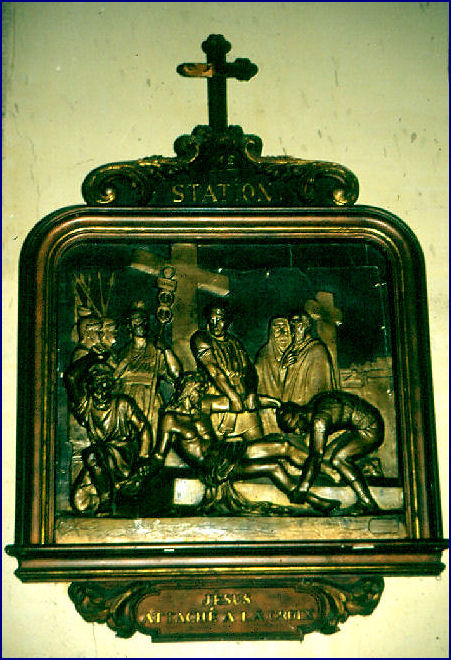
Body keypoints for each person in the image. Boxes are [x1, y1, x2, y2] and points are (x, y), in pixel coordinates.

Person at [147, 370, 340, 514]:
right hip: (214, 465)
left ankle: (327, 469)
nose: (200, 394)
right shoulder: (170, 419)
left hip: (226, 449)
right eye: (198, 391)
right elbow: (158, 455)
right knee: (273, 467)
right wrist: (144, 475)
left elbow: (239, 403)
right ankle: (313, 500)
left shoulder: (203, 404)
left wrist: (275, 403)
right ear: (187, 391)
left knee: (284, 446)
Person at [64, 353, 153, 514]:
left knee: (92, 455)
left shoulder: (122, 403)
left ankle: (106, 499)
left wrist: (143, 458)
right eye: (98, 384)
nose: (102, 390)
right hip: (102, 457)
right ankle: (110, 489)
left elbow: (143, 428)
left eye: (106, 384)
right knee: (80, 503)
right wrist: (94, 357)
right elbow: (71, 377)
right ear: (90, 386)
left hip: (123, 454)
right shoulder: (87, 406)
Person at [276, 390, 384, 515]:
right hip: (357, 427)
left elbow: (316, 456)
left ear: (301, 415)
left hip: (369, 429)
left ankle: (367, 502)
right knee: (327, 458)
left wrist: (303, 486)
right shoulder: (314, 406)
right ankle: (353, 474)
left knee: (339, 459)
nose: (298, 432)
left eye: (296, 427)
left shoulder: (319, 421)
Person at [190, 302, 264, 442]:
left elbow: (249, 370)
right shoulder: (200, 338)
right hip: (218, 397)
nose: (215, 324)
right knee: (215, 449)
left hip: (242, 398)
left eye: (220, 320)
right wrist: (233, 397)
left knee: (258, 443)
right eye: (212, 320)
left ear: (228, 321)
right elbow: (214, 371)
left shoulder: (234, 342)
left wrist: (251, 392)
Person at [114, 301, 181, 443]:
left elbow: (176, 374)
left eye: (144, 320)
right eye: (136, 320)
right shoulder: (123, 353)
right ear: (129, 325)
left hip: (151, 397)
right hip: (128, 398)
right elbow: (114, 378)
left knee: (151, 437)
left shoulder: (156, 350)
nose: (140, 323)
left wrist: (166, 350)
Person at [281, 311, 336, 406]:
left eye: (298, 322)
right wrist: (284, 367)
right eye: (292, 323)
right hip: (290, 406)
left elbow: (320, 387)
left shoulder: (318, 350)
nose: (295, 327)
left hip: (306, 406)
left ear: (307, 325)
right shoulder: (290, 350)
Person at [255, 316, 291, 434]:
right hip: (271, 410)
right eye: (277, 329)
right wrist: (283, 368)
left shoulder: (299, 353)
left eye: (285, 328)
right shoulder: (264, 356)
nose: (282, 333)